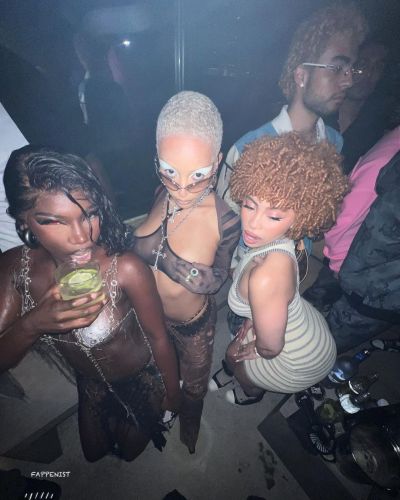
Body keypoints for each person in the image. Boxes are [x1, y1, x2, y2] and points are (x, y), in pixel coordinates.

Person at [0, 148, 181, 462]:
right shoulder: (17, 269)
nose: (83, 236)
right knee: (94, 454)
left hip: (142, 374)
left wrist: (174, 393)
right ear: (24, 220)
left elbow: (159, 336)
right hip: (91, 381)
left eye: (90, 214)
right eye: (55, 221)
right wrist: (32, 324)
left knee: (129, 452)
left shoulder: (125, 268)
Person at [133, 91, 241, 453]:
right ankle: (167, 404)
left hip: (193, 325)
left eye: (197, 176)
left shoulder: (226, 221)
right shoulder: (159, 193)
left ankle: (190, 428)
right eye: (169, 171)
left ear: (218, 161)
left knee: (194, 386)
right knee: (158, 369)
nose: (180, 188)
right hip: (149, 314)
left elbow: (220, 276)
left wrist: (172, 264)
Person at [210, 133, 348, 403]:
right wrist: (254, 317)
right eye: (249, 205)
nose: (253, 223)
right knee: (236, 351)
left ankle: (249, 390)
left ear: (304, 214)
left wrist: (254, 348)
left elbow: (271, 348)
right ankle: (239, 369)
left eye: (274, 216)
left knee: (234, 358)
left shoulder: (266, 276)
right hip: (306, 330)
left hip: (298, 361)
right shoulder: (283, 240)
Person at [216, 2, 367, 212]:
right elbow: (223, 224)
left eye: (351, 70)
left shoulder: (334, 142)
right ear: (301, 75)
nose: (348, 81)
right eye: (336, 68)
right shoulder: (249, 148)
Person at [310, 123, 400, 353]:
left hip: (371, 284)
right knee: (321, 344)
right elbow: (349, 212)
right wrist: (339, 264)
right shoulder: (391, 156)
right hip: (361, 280)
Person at [328, 37, 391, 174]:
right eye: (362, 64)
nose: (369, 74)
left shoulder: (378, 130)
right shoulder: (320, 113)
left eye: (378, 67)